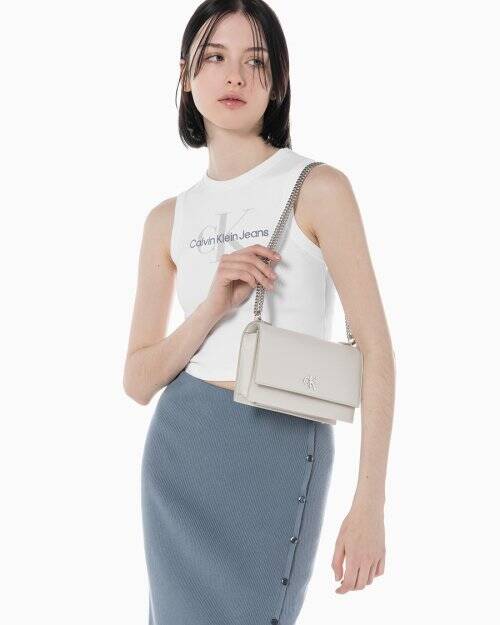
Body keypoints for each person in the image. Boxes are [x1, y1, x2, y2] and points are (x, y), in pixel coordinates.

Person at [123, 2, 395, 624]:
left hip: (279, 446)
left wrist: (370, 504)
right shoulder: (166, 219)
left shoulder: (319, 188)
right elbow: (137, 380)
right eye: (215, 57)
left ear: (278, 82)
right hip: (182, 447)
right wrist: (211, 307)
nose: (234, 76)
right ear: (185, 76)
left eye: (256, 62)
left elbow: (375, 349)